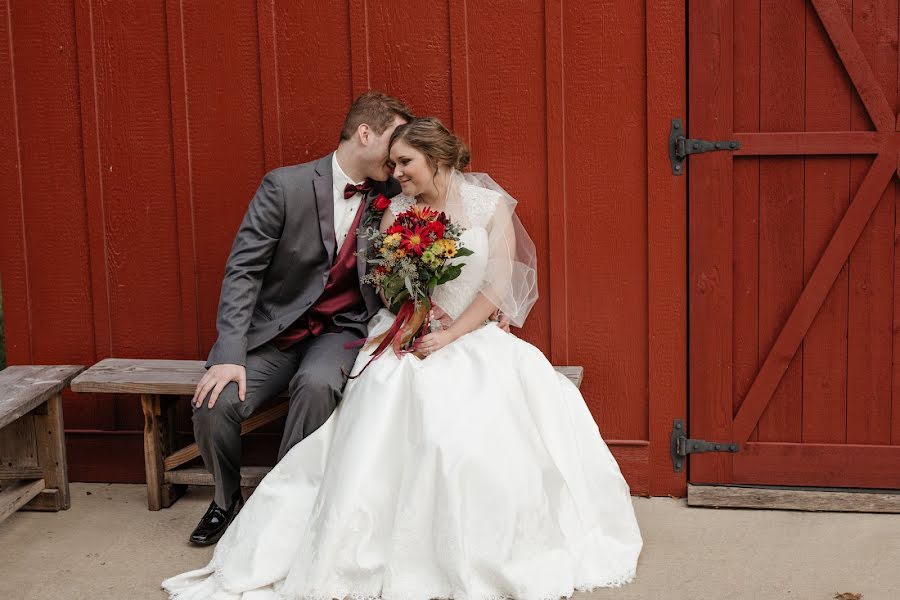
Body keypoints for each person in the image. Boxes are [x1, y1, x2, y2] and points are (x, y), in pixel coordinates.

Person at [164, 117, 642, 599]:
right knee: (384, 393)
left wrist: (453, 331)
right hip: (405, 330)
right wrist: (412, 317)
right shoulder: (395, 210)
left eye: (405, 162)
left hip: (469, 335)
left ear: (436, 158)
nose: (396, 171)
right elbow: (382, 283)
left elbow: (496, 284)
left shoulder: (490, 207)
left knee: (466, 436)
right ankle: (270, 510)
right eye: (392, 162)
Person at [187, 91, 413, 545]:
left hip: (341, 329)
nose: (398, 156)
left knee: (317, 386)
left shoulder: (394, 191)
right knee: (217, 402)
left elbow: (449, 214)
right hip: (274, 332)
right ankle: (226, 499)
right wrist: (229, 353)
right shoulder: (284, 186)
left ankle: (284, 504)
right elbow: (243, 271)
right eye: (394, 140)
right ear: (365, 134)